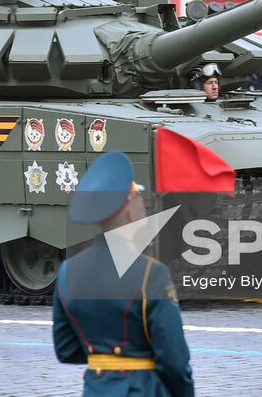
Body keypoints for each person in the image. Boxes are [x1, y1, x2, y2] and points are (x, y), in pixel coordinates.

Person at [53, 151, 195, 397]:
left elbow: (66, 349)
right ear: (130, 210)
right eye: (138, 194)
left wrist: (104, 356)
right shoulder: (151, 273)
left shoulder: (68, 272)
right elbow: (174, 360)